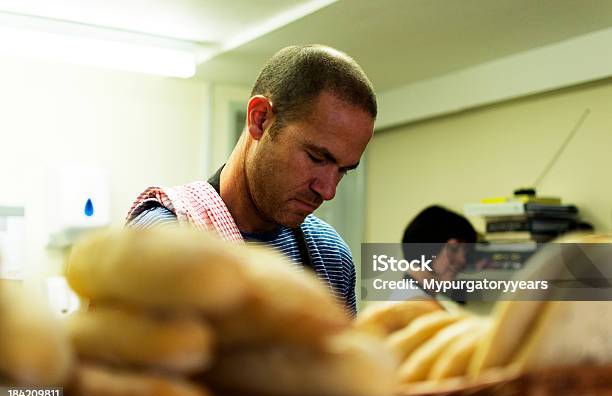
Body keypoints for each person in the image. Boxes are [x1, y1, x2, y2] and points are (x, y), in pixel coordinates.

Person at [126, 45, 377, 315]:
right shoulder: (166, 237)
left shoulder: (331, 257)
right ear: (260, 119)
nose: (328, 191)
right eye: (316, 158)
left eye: (344, 170)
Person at [397, 205, 477, 300]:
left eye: (466, 252)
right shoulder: (414, 305)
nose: (463, 260)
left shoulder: (409, 297)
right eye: (454, 249)